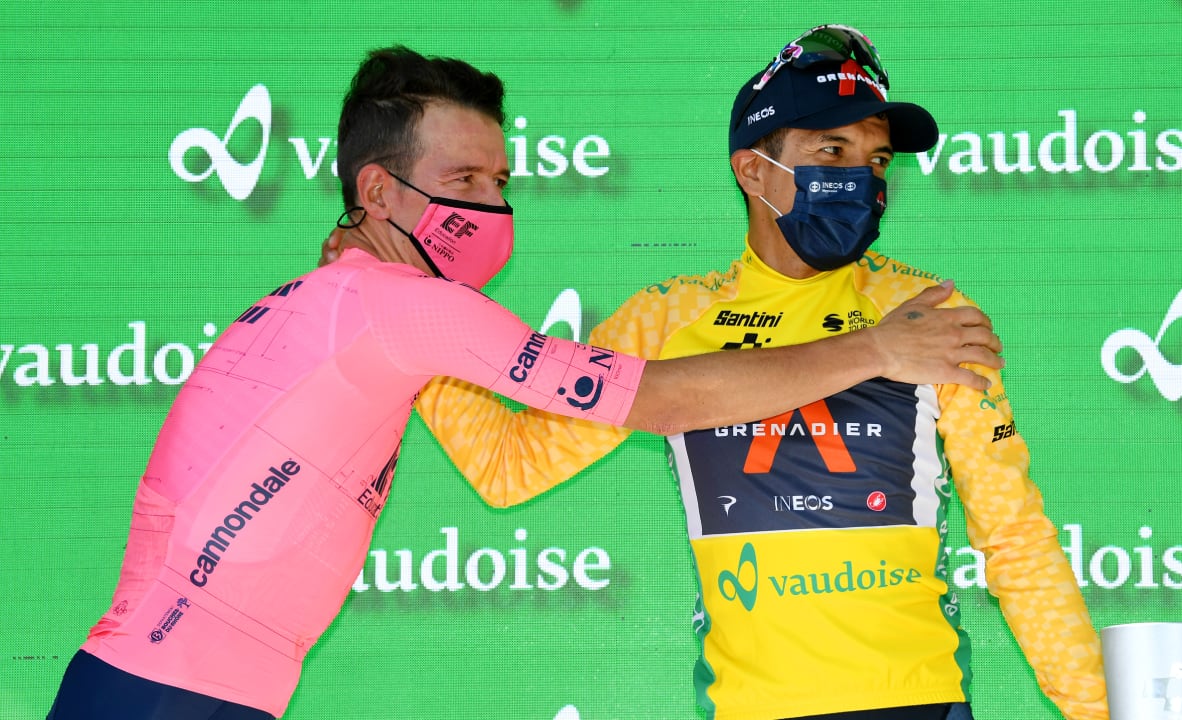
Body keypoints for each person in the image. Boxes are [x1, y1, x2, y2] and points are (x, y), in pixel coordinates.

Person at [46, 44, 1003, 720]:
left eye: (501, 181)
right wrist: (877, 351)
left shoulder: (353, 294)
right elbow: (660, 398)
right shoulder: (402, 304)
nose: (491, 206)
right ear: (378, 193)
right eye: (463, 181)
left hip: (202, 677)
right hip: (164, 684)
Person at [376, 24, 1109, 720]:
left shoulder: (928, 311)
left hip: (920, 699)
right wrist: (409, 297)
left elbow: (1015, 537)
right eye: (832, 151)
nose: (862, 177)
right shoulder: (663, 321)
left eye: (877, 160)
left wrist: (1093, 707)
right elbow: (511, 464)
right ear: (754, 169)